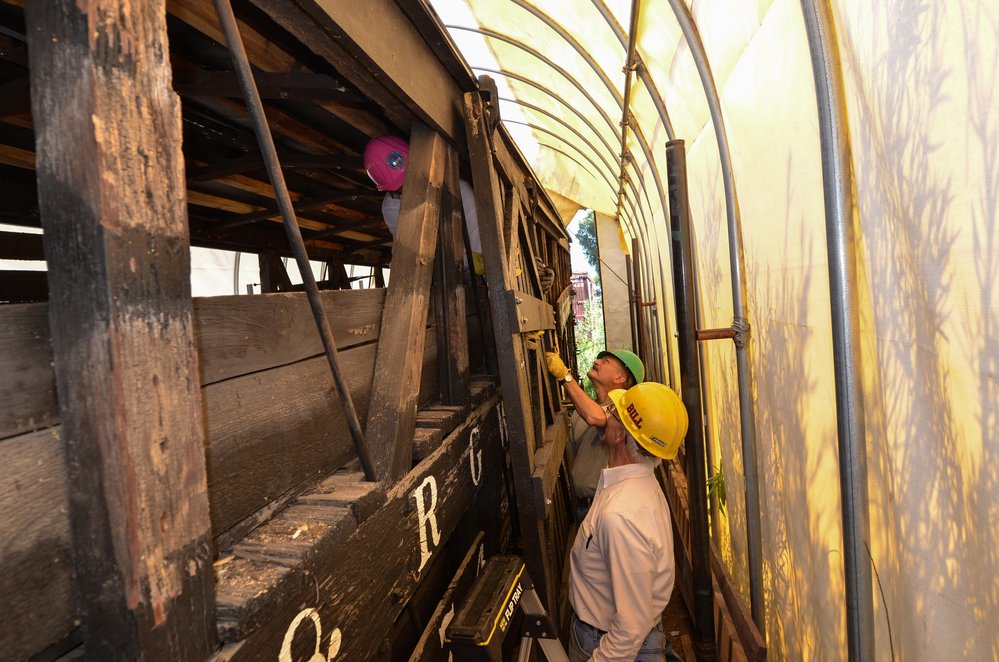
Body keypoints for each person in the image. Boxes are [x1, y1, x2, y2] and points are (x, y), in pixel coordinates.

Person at [568, 381, 688, 661]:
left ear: (619, 433)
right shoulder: (640, 483)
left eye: (611, 412)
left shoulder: (620, 516)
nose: (605, 414)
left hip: (604, 642)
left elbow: (629, 629)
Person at [545, 349, 644, 518]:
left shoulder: (626, 411)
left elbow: (595, 417)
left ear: (620, 378)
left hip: (604, 509)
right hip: (580, 508)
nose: (597, 362)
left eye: (605, 361)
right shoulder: (582, 411)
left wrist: (565, 377)